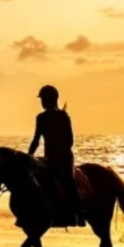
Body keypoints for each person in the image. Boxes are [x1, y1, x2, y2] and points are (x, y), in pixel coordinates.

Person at [28, 85, 84, 226]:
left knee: (68, 182)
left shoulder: (62, 117)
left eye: (43, 99)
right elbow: (36, 140)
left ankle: (78, 214)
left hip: (64, 159)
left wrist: (55, 155)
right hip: (49, 159)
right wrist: (29, 157)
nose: (42, 102)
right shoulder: (42, 117)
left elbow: (69, 141)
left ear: (50, 100)